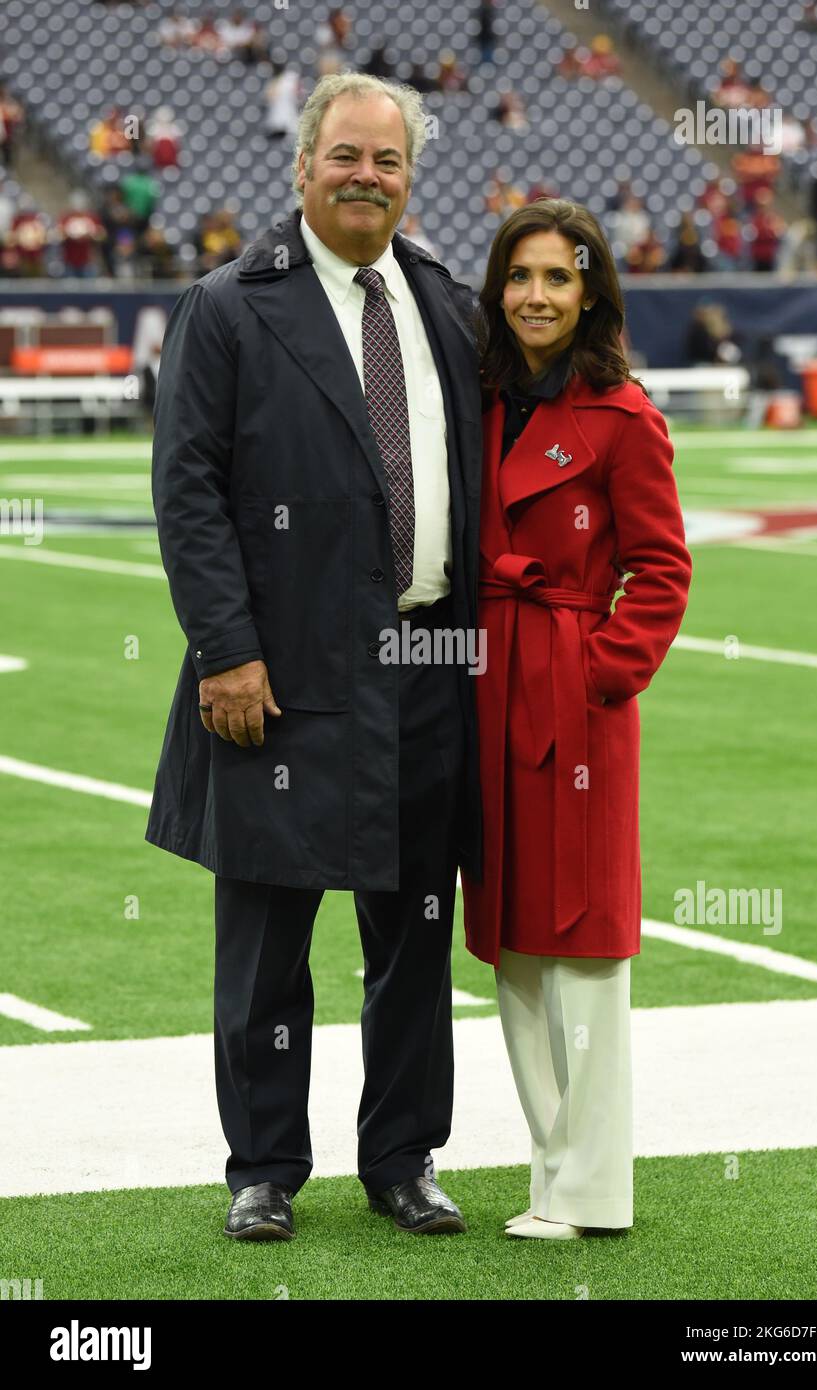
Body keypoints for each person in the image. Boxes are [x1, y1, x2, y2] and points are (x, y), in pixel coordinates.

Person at [145, 72, 483, 1242]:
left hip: (431, 661)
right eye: (345, 157)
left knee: (413, 935)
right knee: (267, 937)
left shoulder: (445, 300)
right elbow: (186, 492)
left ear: (408, 176)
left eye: (387, 162)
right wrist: (223, 651)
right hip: (280, 672)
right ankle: (263, 1167)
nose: (365, 178)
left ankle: (402, 1156)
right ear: (302, 167)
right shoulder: (232, 304)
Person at [460, 199, 691, 1238]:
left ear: (591, 289)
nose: (536, 297)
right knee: (510, 937)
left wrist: (594, 671)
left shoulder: (622, 411)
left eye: (558, 277)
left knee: (580, 944)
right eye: (519, 277)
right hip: (481, 687)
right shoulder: (482, 399)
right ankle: (550, 1174)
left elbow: (661, 570)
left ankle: (592, 1188)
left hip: (568, 695)